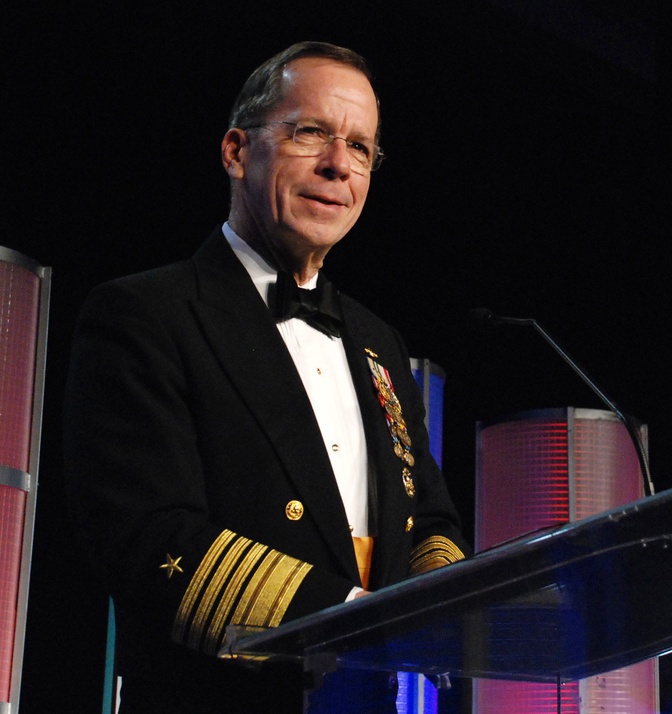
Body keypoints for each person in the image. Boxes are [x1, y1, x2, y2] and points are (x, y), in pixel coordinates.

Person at [63, 41, 469, 713]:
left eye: (362, 148)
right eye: (312, 133)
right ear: (235, 151)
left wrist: (453, 617)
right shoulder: (144, 314)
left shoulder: (379, 343)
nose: (340, 165)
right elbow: (144, 537)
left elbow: (428, 518)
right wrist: (350, 621)